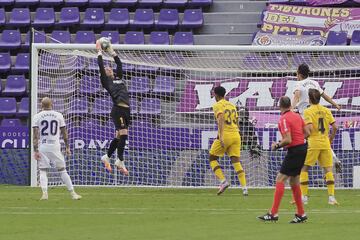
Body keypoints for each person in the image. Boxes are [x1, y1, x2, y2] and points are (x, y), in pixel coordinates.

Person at [258, 96, 309, 223]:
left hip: (295, 150)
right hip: (303, 148)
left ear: (279, 106)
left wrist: (277, 145)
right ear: (290, 105)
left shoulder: (284, 119)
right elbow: (308, 132)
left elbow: (288, 140)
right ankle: (301, 214)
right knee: (294, 181)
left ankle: (273, 213)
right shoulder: (297, 116)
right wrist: (297, 138)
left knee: (280, 179)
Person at [32, 97, 82, 200]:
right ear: (52, 104)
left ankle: (45, 194)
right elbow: (64, 133)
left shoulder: (37, 116)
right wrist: (67, 147)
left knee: (42, 170)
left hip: (43, 146)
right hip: (55, 146)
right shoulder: (58, 115)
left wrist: (35, 150)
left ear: (41, 105)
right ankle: (73, 193)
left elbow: (35, 136)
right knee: (62, 170)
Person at [96, 39, 129, 175]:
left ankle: (107, 156)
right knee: (124, 134)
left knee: (118, 137)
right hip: (118, 109)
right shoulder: (106, 81)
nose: (108, 68)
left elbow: (119, 64)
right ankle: (120, 160)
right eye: (106, 69)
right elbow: (100, 65)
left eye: (109, 67)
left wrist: (112, 52)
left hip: (126, 109)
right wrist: (99, 52)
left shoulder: (118, 77)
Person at [300, 89, 339, 205]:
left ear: (309, 99)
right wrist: (330, 139)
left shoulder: (307, 111)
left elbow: (310, 129)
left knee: (304, 168)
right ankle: (331, 197)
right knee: (328, 170)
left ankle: (304, 197)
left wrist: (304, 136)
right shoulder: (326, 110)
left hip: (314, 142)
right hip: (325, 142)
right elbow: (335, 127)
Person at [209, 86, 248, 196]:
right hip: (236, 134)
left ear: (216, 95)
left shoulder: (217, 105)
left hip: (225, 135)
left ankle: (223, 181)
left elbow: (221, 118)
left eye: (213, 94)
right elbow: (236, 120)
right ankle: (245, 188)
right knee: (236, 160)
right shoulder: (231, 105)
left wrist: (221, 136)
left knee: (212, 157)